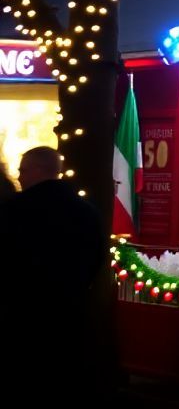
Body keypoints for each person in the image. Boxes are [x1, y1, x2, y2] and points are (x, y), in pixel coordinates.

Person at [0, 146, 105, 395]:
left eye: (23, 170)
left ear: (38, 170)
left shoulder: (15, 210)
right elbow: (96, 257)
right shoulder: (86, 210)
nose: (19, 176)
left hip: (22, 313)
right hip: (69, 311)